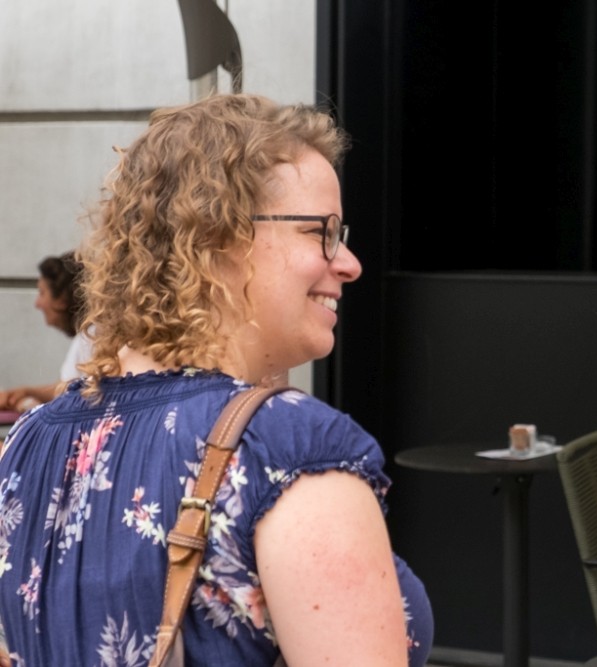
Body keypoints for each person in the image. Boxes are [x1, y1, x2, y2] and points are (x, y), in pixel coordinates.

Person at [0, 94, 432, 666]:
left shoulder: (27, 444)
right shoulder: (290, 449)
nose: (349, 263)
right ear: (217, 238)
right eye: (320, 232)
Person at [0, 251, 92, 413]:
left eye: (42, 293)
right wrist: (27, 392)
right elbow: (66, 386)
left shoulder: (90, 337)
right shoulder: (88, 334)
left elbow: (69, 395)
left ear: (62, 300)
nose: (37, 303)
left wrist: (30, 405)